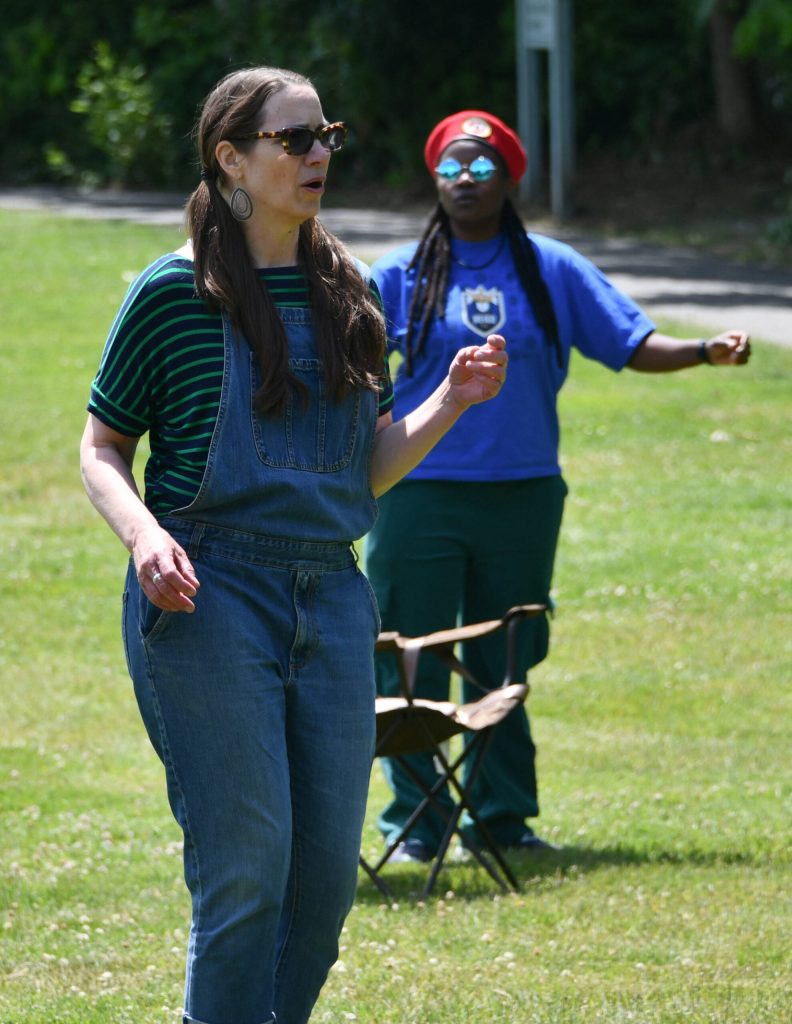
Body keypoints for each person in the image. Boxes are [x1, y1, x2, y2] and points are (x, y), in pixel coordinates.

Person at [79, 71, 507, 1024]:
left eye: (327, 136)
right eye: (294, 138)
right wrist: (146, 536)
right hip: (206, 594)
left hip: (332, 593)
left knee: (321, 892)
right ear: (230, 158)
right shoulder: (170, 292)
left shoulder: (350, 289)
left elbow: (362, 473)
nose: (318, 155)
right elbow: (103, 445)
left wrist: (453, 400)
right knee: (247, 874)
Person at [364, 108, 751, 865]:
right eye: (451, 167)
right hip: (418, 488)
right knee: (405, 649)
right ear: (433, 177)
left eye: (481, 168)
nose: (465, 180)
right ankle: (418, 819)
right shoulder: (398, 275)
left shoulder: (551, 267)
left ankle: (502, 817)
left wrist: (705, 349)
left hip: (524, 492)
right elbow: (356, 370)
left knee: (508, 649)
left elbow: (630, 342)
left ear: (509, 177)